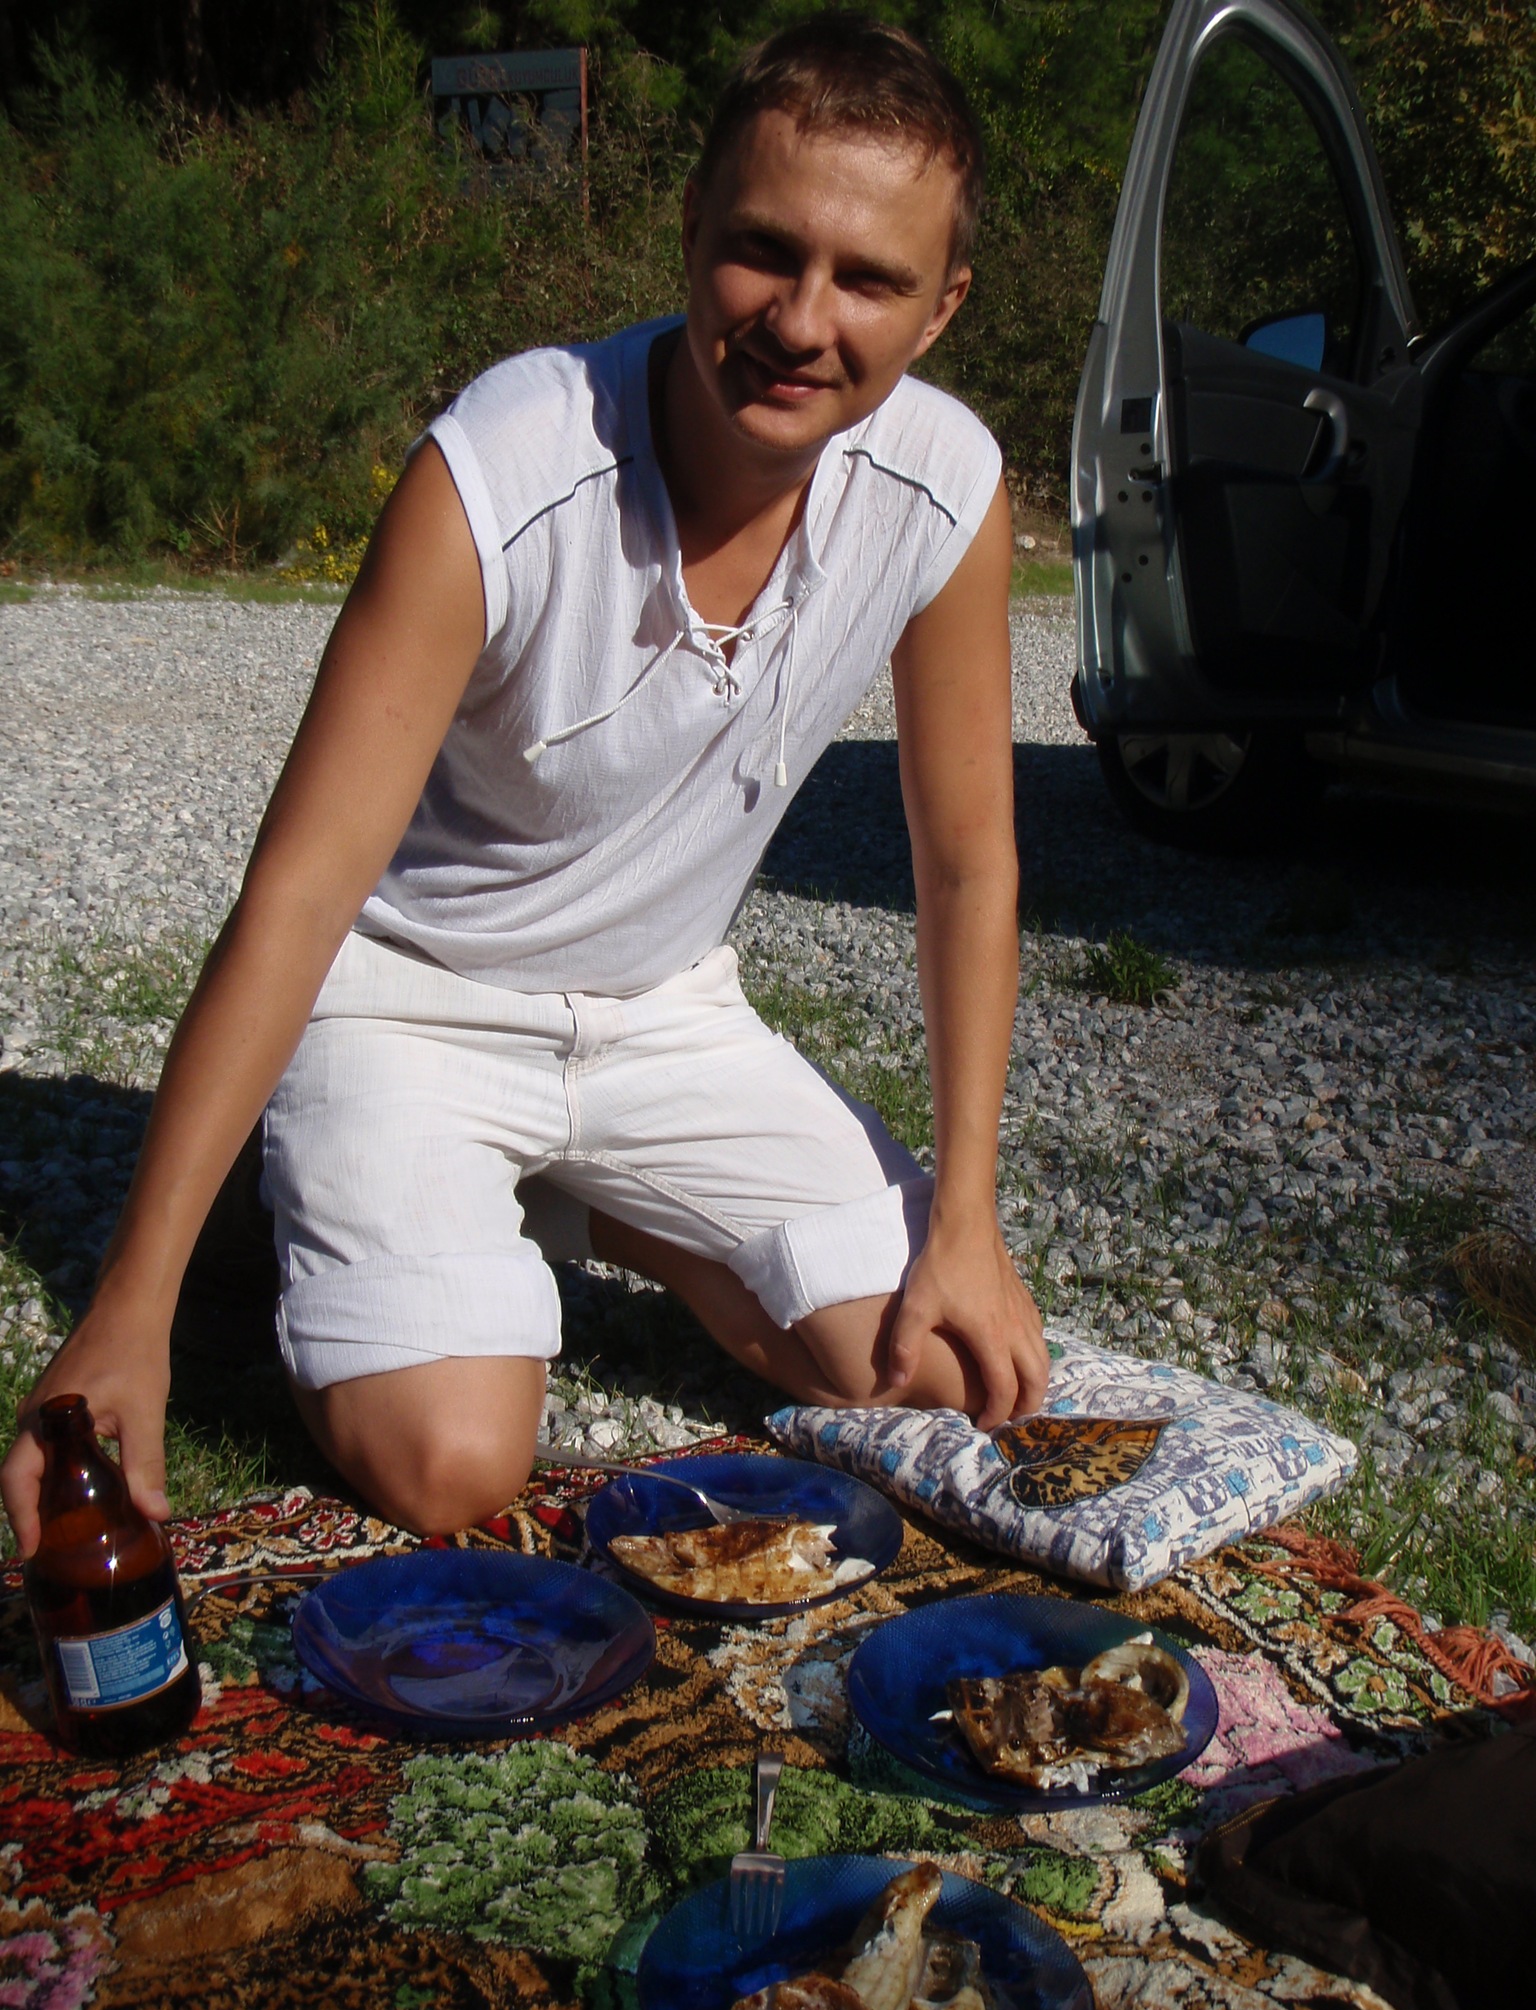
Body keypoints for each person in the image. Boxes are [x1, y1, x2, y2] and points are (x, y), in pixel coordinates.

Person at [2, 14, 1048, 1553]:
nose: (802, 320)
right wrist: (130, 1308)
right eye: (765, 251)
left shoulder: (945, 491)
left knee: (932, 1370)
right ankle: (298, 1176)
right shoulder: (502, 469)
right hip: (408, 998)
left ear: (942, 304)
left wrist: (966, 1220)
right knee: (452, 1462)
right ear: (691, 228)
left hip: (662, 1013)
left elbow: (966, 864)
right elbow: (301, 891)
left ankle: (600, 1196)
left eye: (870, 279)